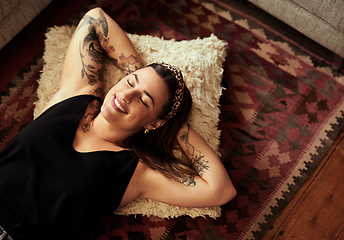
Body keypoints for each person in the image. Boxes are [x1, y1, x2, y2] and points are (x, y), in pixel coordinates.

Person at [0, 7, 236, 240]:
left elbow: (221, 189)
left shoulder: (135, 171)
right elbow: (94, 18)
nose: (126, 96)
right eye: (129, 83)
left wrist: (175, 124)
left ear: (154, 123)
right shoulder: (80, 93)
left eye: (143, 100)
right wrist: (139, 76)